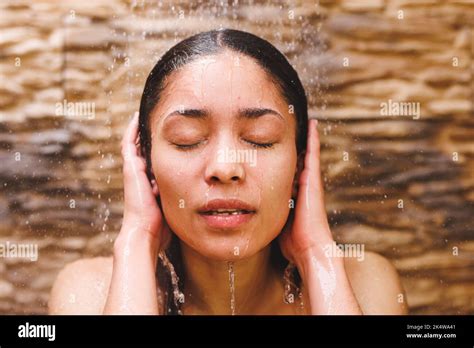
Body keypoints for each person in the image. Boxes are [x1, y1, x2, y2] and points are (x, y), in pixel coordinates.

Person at [49, 29, 407, 315]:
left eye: (260, 139)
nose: (225, 168)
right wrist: (138, 239)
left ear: (301, 163)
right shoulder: (88, 293)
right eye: (188, 140)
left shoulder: (365, 285)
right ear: (146, 164)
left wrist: (316, 252)